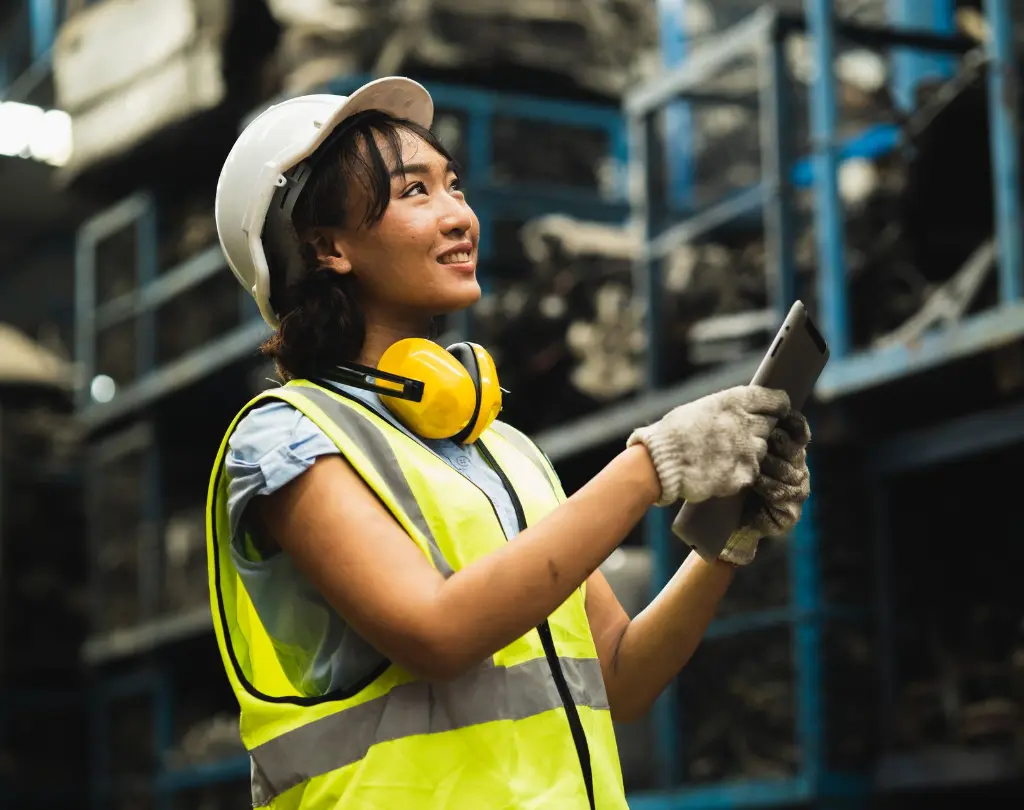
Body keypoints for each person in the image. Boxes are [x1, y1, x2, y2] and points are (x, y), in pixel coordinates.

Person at [209, 76, 812, 810]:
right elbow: (437, 633)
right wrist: (653, 467)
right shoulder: (285, 439)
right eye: (415, 192)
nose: (460, 215)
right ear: (327, 246)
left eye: (453, 185)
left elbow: (621, 676)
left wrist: (728, 539)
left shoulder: (506, 450)